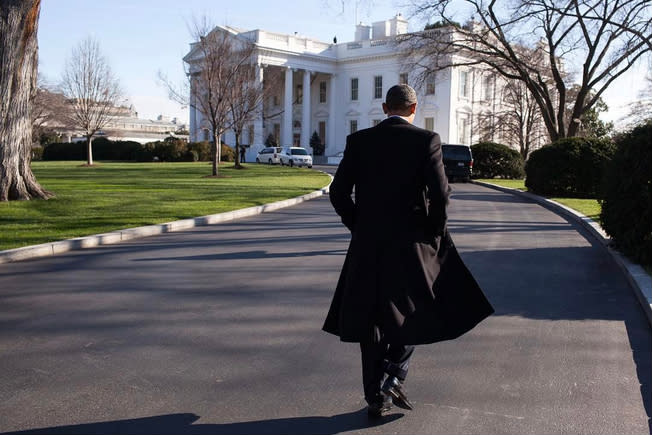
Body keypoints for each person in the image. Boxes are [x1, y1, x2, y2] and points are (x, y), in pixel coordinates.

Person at [323, 84, 494, 418]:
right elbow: (441, 195)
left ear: (385, 108)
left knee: (372, 319)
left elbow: (338, 192)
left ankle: (376, 394)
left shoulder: (359, 141)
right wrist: (434, 231)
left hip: (369, 243)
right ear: (413, 109)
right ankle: (393, 375)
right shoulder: (425, 141)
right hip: (412, 241)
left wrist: (358, 225)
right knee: (418, 307)